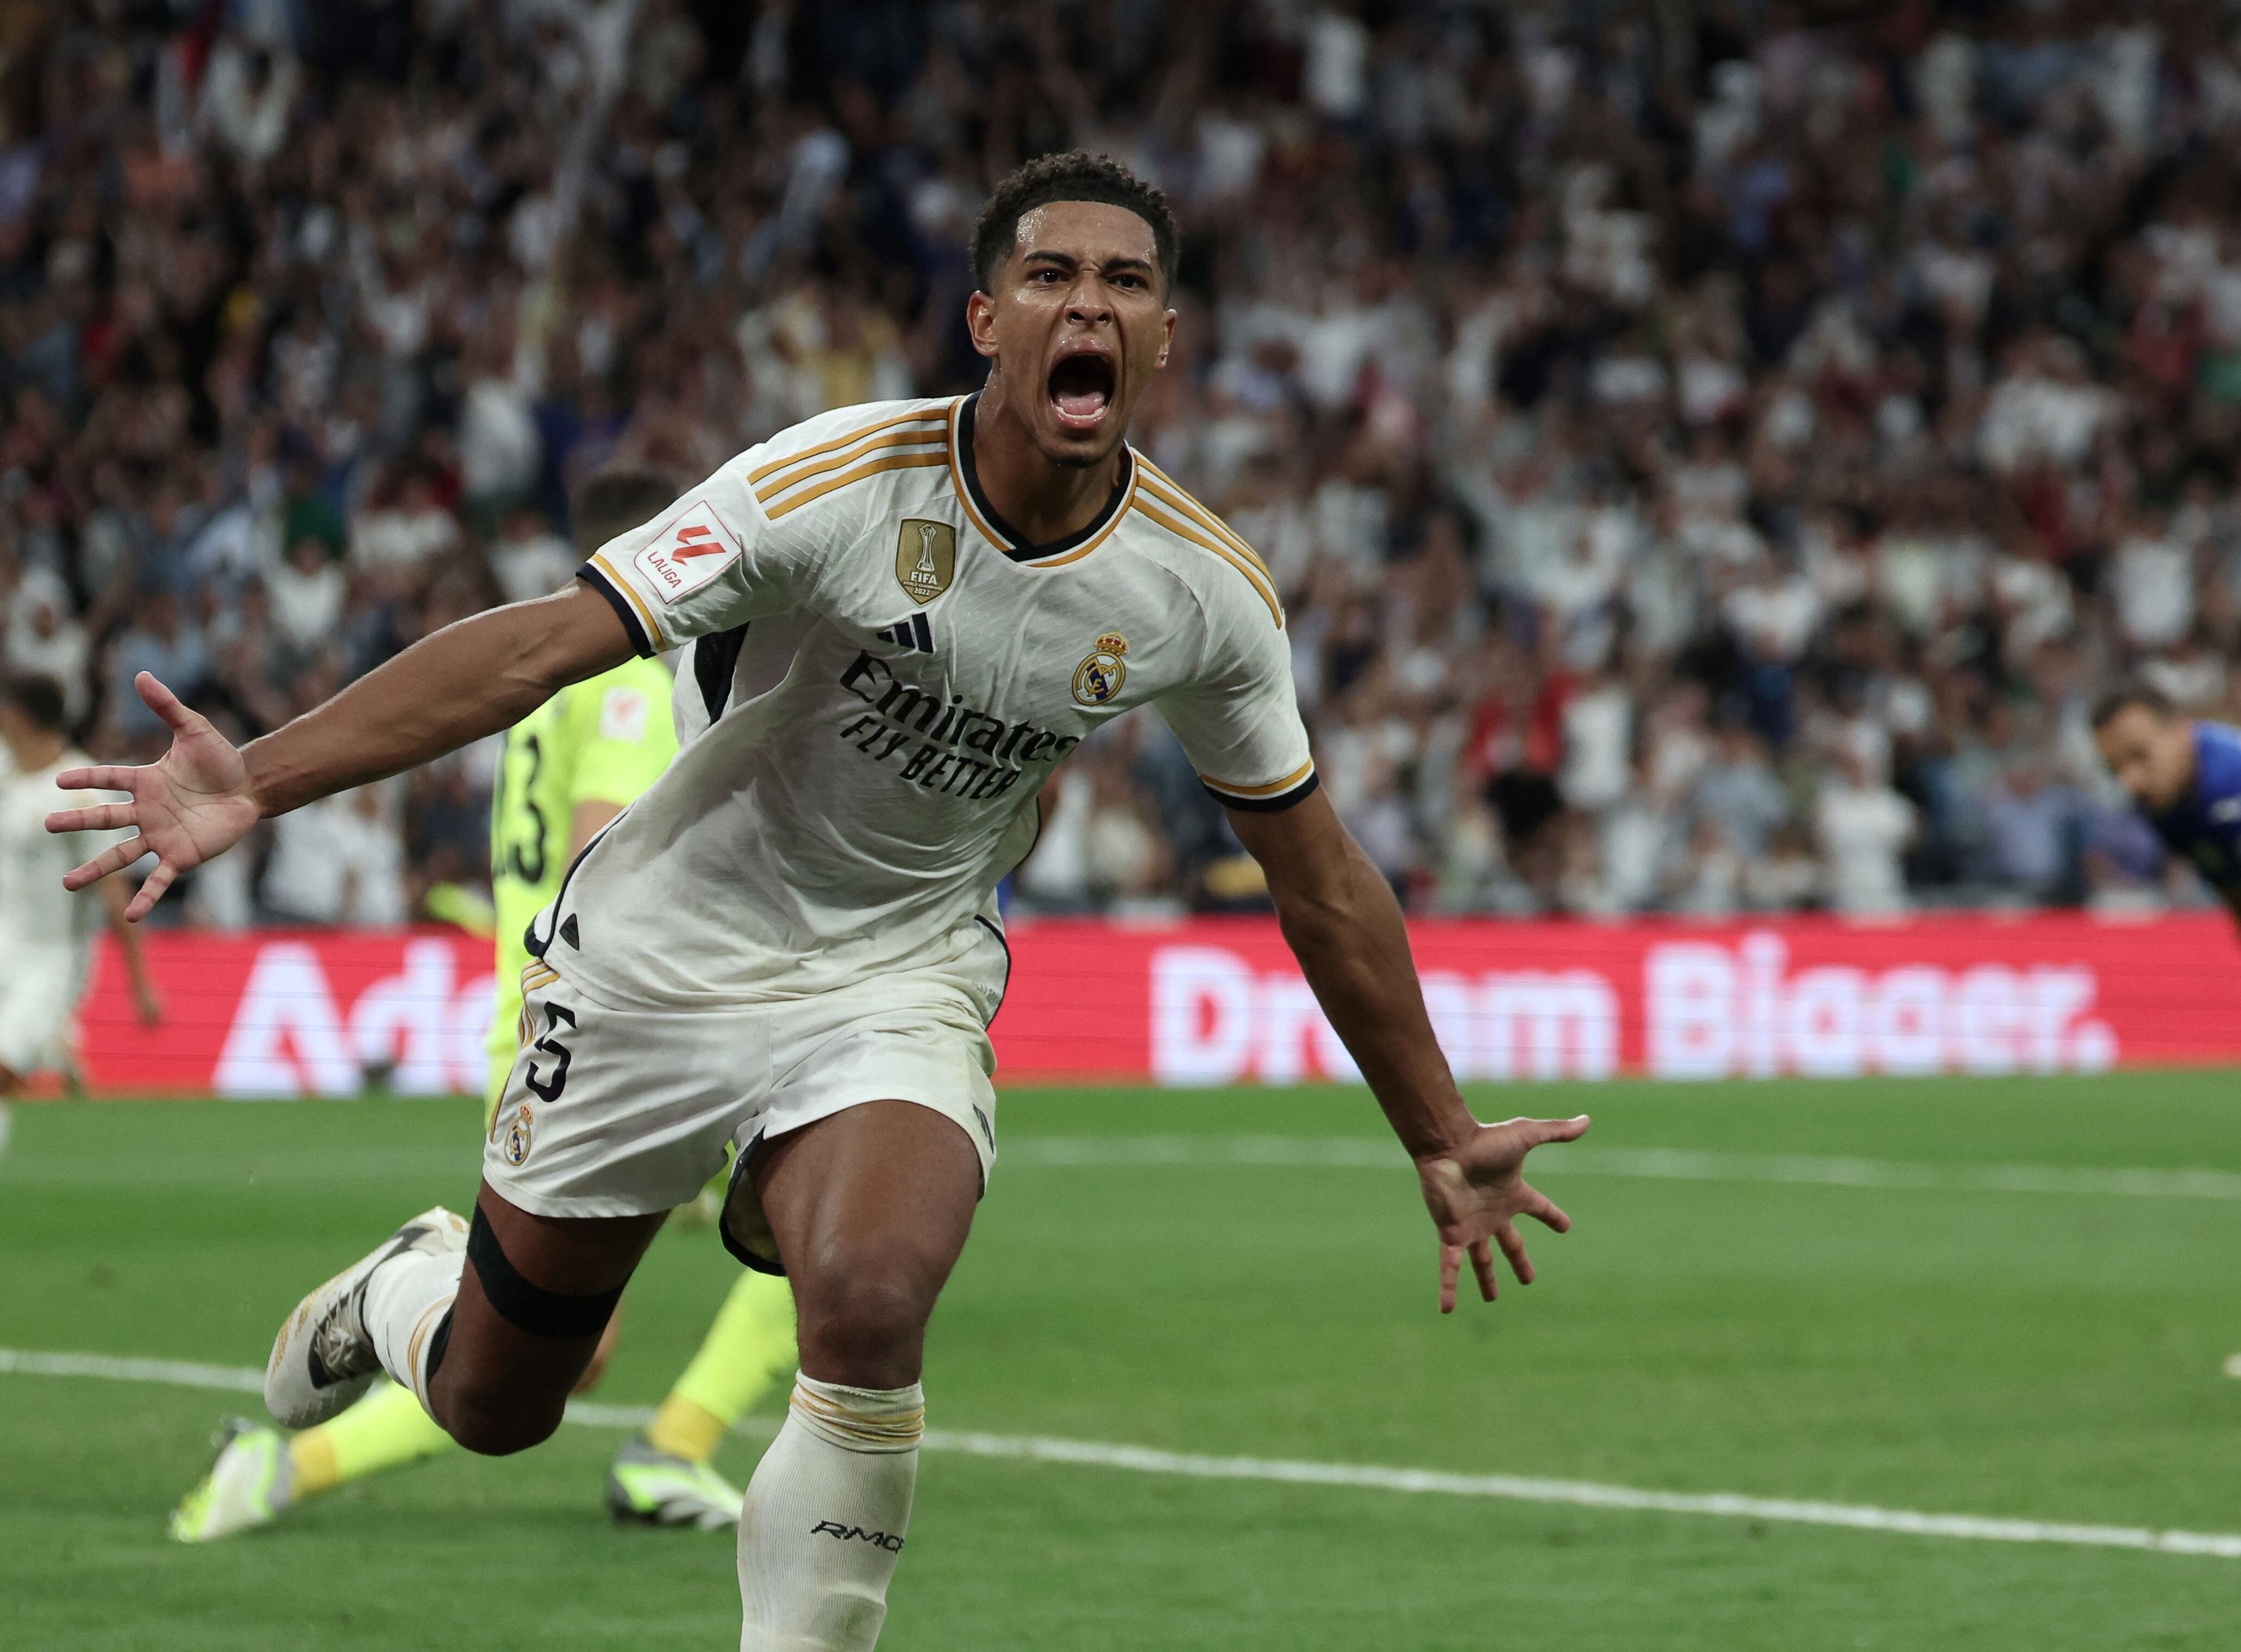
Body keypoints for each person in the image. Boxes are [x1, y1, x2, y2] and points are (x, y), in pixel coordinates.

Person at [53, 152, 1588, 1651]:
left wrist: (1439, 1130)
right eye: (1050, 274)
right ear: (986, 320)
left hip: (896, 973)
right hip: (661, 956)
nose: (1090, 306)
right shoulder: (829, 485)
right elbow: (541, 648)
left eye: (1126, 283)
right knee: (498, 1403)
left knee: (867, 1296)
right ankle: (405, 1287)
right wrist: (259, 774)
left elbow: (1314, 871)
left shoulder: (1198, 593)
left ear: (1163, 336)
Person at [167, 472, 798, 1543]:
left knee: (566, 1346)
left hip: (553, 1008)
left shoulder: (560, 672)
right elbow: (613, 833)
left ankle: (290, 1464)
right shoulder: (636, 670)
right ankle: (666, 1445)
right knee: (814, 1223)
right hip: (635, 1019)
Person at [0, 672, 160, 1156]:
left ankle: (52, 1039)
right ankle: (56, 1045)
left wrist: (141, 984)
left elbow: (114, 891)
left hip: (53, 961)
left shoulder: (82, 788)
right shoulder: (5, 775)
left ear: (22, 716)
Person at [2092, 683, 2241, 910]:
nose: (2131, 781)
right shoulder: (2162, 806)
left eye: (2140, 755)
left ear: (2181, 730)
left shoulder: (2232, 779)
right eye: (2115, 769)